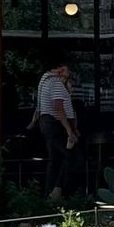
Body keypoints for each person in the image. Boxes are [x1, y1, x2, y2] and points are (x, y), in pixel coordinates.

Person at [34, 55, 80, 203]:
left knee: (54, 159)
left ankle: (49, 193)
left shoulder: (45, 80)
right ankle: (59, 190)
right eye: (67, 70)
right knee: (71, 157)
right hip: (55, 124)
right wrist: (69, 130)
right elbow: (59, 109)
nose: (68, 73)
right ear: (60, 69)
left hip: (48, 123)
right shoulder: (55, 83)